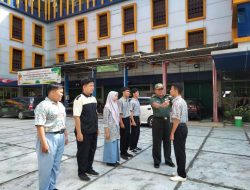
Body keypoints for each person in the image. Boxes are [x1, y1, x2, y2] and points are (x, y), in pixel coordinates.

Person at [35, 83, 68, 190]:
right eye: (61, 92)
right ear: (53, 91)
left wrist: (65, 136)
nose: (62, 94)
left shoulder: (61, 105)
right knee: (46, 168)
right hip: (48, 137)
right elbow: (40, 125)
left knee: (56, 165)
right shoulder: (43, 105)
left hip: (60, 137)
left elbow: (63, 122)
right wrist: (44, 144)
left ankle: (52, 187)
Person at [73, 78, 99, 181]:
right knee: (83, 152)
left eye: (93, 85)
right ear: (84, 87)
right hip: (83, 132)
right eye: (90, 85)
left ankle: (89, 168)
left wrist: (96, 128)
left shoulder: (94, 99)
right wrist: (79, 132)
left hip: (93, 131)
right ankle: (81, 172)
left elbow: (95, 115)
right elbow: (76, 117)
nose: (93, 87)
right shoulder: (79, 99)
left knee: (92, 151)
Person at [150, 83, 175, 169]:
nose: (161, 91)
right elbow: (154, 105)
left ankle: (168, 160)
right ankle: (157, 161)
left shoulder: (168, 97)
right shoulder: (153, 98)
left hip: (167, 121)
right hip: (157, 122)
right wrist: (161, 105)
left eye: (162, 89)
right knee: (157, 142)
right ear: (155, 90)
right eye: (159, 89)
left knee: (167, 142)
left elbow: (176, 100)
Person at [169, 84, 188, 182]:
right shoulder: (182, 101)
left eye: (171, 89)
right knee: (181, 151)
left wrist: (172, 133)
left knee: (179, 152)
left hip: (178, 128)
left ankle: (182, 175)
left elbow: (176, 119)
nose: (170, 90)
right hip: (182, 127)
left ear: (176, 90)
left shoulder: (176, 103)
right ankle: (180, 171)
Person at [103, 91, 120, 167]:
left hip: (115, 128)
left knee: (115, 144)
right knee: (110, 144)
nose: (117, 97)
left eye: (117, 96)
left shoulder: (115, 105)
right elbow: (105, 121)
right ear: (111, 96)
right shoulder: (107, 107)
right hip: (109, 129)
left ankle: (114, 159)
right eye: (115, 96)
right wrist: (106, 132)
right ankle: (109, 161)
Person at [119, 87, 133, 160]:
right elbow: (119, 113)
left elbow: (129, 111)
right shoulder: (120, 101)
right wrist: (121, 123)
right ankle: (122, 152)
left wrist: (130, 120)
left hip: (127, 119)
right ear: (123, 92)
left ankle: (126, 151)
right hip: (123, 120)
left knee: (128, 136)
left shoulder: (128, 100)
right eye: (128, 91)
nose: (129, 93)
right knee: (123, 137)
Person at [130, 88, 142, 153]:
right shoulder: (132, 102)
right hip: (133, 118)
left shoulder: (137, 101)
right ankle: (132, 147)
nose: (138, 93)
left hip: (137, 118)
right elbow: (131, 112)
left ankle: (135, 146)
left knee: (137, 133)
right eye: (137, 92)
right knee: (133, 133)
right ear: (133, 94)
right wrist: (133, 121)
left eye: (138, 92)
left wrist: (139, 119)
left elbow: (139, 111)